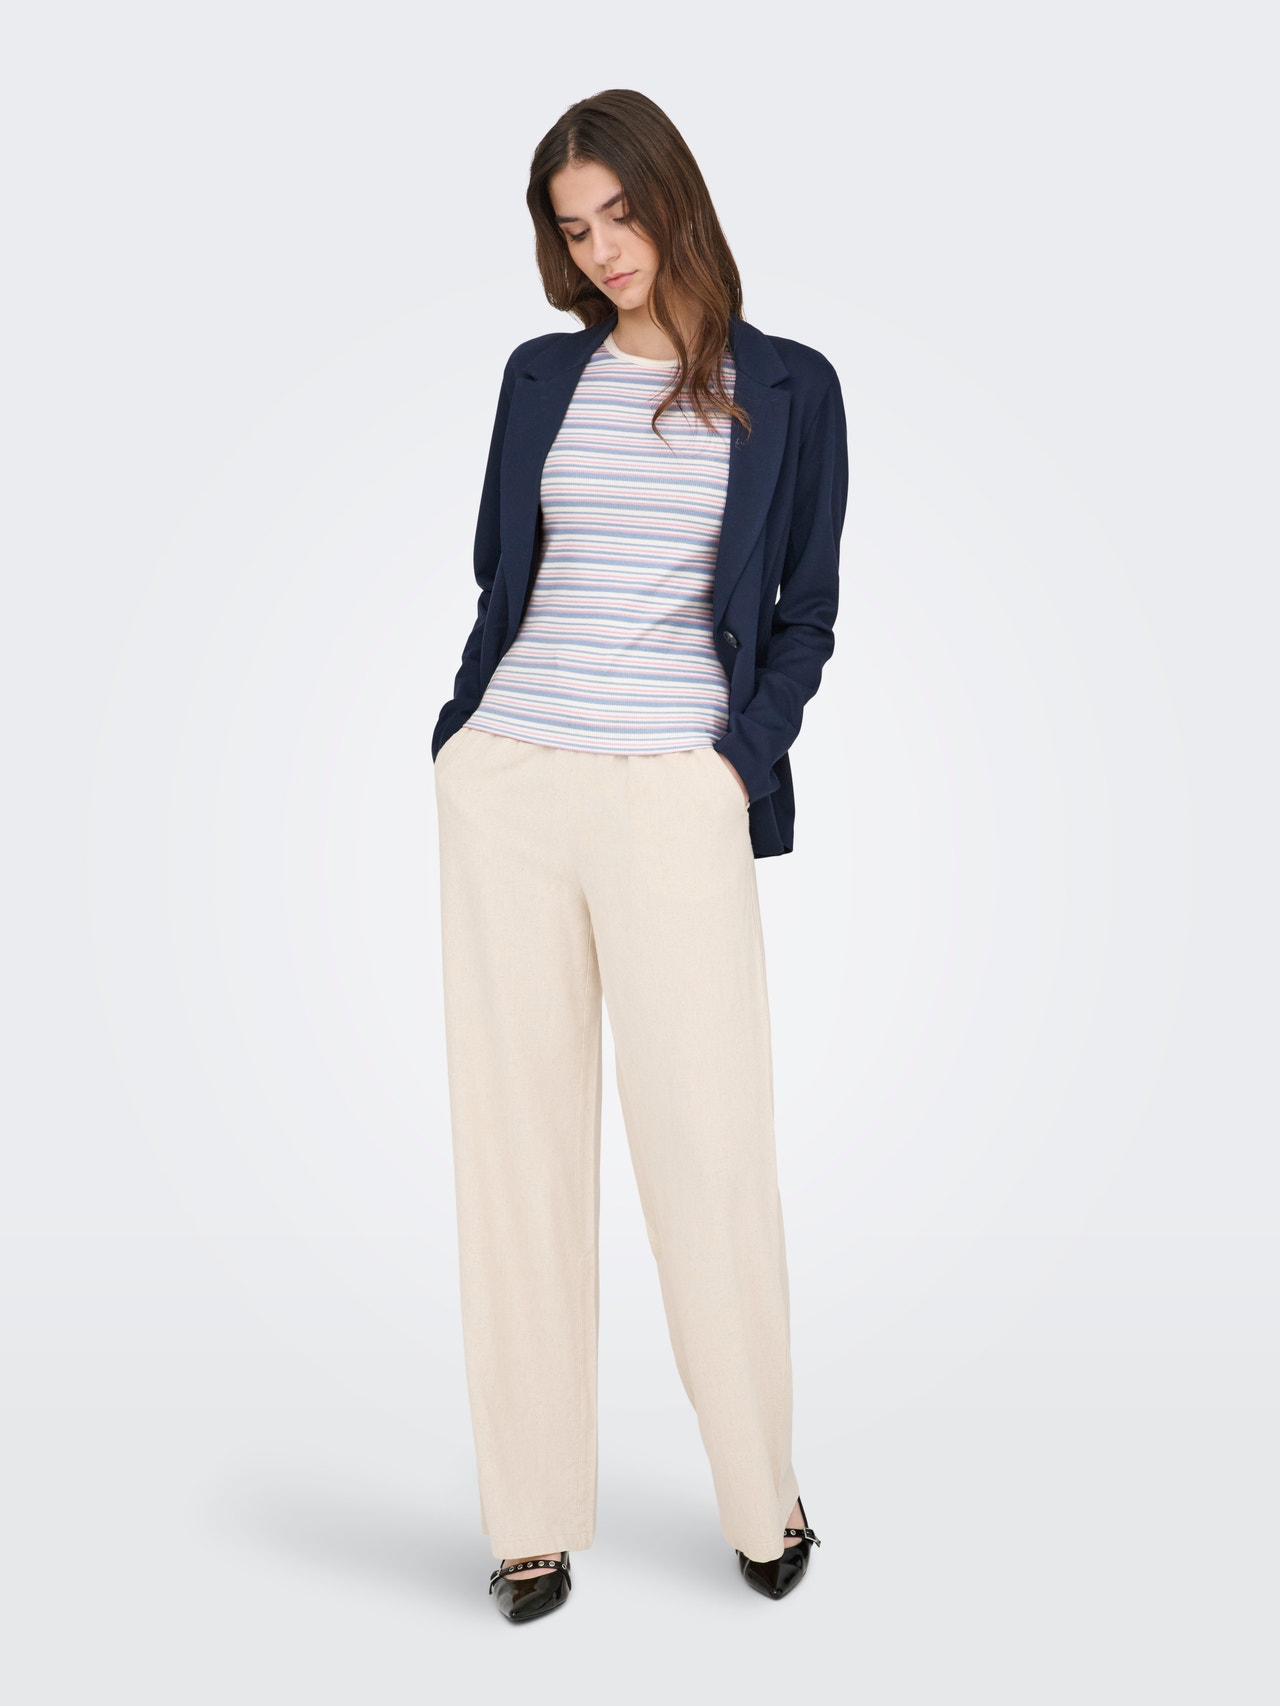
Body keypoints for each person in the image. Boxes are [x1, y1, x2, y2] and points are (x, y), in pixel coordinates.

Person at [431, 88, 848, 1623]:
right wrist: (461, 735)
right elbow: (504, 574)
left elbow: (804, 613)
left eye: (621, 212)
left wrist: (734, 763)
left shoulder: (789, 386)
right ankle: (528, 1515)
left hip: (676, 792)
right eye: (574, 225)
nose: (603, 248)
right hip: (510, 787)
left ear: (675, 199)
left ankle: (760, 1488)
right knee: (516, 1156)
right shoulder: (540, 375)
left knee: (707, 1148)